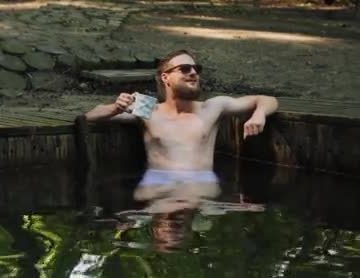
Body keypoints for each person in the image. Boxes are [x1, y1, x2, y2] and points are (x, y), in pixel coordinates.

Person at [83, 49, 279, 205]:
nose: (193, 73)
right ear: (165, 78)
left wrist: (259, 114)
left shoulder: (212, 107)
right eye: (185, 68)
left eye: (196, 69)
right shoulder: (148, 108)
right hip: (157, 181)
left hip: (199, 182)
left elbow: (267, 99)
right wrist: (116, 107)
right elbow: (89, 117)